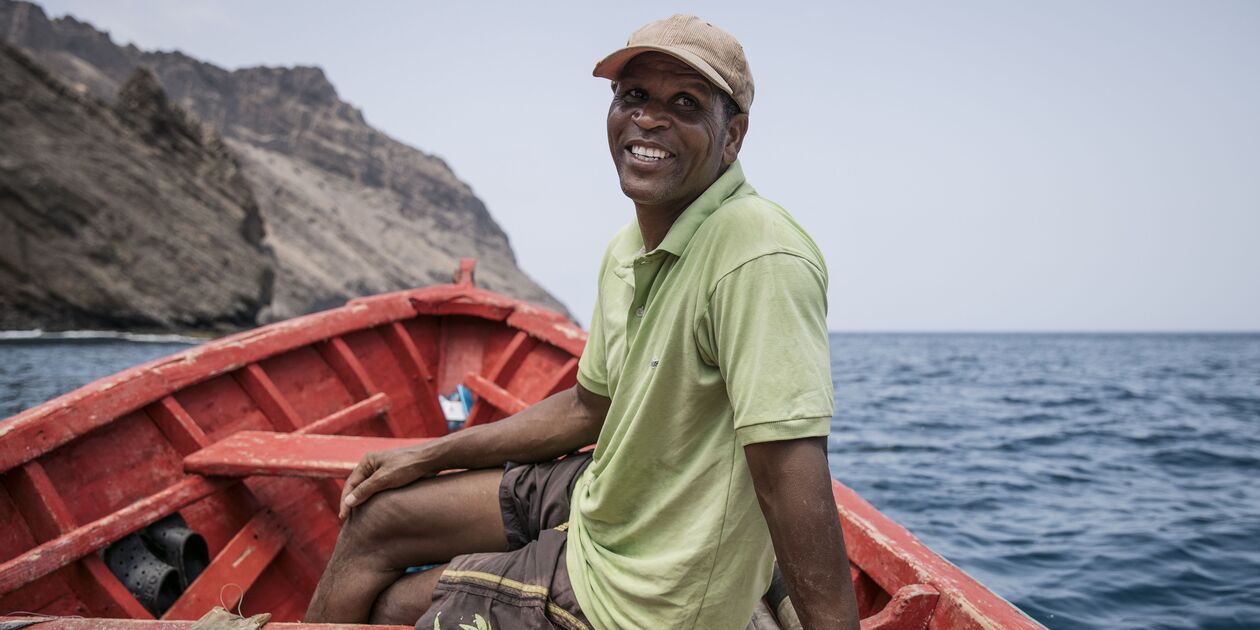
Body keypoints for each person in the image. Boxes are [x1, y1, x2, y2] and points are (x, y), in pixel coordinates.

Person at [306, 14, 860, 630]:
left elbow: (789, 476)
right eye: (634, 97)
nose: (649, 118)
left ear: (733, 137)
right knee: (375, 518)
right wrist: (430, 455)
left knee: (393, 610)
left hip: (641, 595)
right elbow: (586, 409)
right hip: (610, 497)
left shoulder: (758, 254)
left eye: (685, 102)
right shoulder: (628, 248)